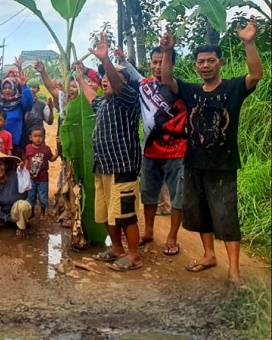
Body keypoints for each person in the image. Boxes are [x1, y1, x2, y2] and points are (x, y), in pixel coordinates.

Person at [159, 17, 263, 284]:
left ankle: (234, 270)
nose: (205, 65)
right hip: (194, 163)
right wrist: (168, 51)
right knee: (201, 213)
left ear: (220, 63)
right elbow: (167, 78)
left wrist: (248, 43)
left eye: (211, 61)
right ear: (196, 66)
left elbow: (256, 75)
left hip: (224, 165)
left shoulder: (232, 89)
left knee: (226, 215)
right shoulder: (192, 91)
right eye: (201, 62)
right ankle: (208, 255)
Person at [76, 32, 142, 272]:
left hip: (122, 167)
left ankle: (134, 256)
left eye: (110, 77)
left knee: (125, 215)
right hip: (103, 167)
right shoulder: (103, 103)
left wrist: (105, 61)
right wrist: (81, 77)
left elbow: (116, 81)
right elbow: (91, 95)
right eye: (103, 77)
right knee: (106, 213)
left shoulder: (129, 99)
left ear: (121, 81)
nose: (105, 80)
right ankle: (117, 248)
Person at [115, 46, 187, 257]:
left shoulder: (178, 87)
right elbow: (132, 76)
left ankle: (172, 236)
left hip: (177, 152)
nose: (157, 66)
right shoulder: (145, 86)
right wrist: (120, 59)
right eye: (154, 62)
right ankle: (148, 231)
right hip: (150, 151)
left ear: (171, 64)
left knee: (177, 197)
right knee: (148, 195)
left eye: (162, 62)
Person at [0, 72, 33, 158]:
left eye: (10, 88)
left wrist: (24, 87)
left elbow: (29, 104)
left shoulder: (19, 102)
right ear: (1, 89)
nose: (7, 90)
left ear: (14, 88)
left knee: (12, 166)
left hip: (15, 143)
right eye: (5, 88)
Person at [25, 128, 58, 219]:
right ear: (30, 137)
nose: (38, 138)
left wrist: (56, 155)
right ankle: (31, 213)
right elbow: (26, 160)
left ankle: (43, 213)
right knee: (31, 195)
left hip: (43, 178)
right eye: (35, 136)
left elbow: (51, 159)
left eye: (40, 136)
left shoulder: (46, 149)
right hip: (31, 178)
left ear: (44, 137)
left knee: (43, 196)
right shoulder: (28, 148)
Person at [22, 81, 54, 151]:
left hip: (38, 138)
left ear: (38, 89)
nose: (31, 89)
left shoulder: (42, 105)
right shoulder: (21, 103)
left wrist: (51, 109)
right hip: (24, 137)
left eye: (34, 87)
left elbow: (50, 122)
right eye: (29, 87)